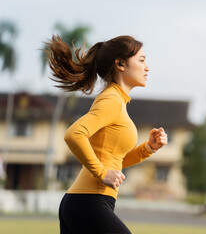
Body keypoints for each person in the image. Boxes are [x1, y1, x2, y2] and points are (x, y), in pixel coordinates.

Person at [45, 35, 168, 234]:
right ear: (120, 64)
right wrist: (101, 174)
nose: (147, 67)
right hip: (89, 202)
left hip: (84, 202)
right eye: (142, 60)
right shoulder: (111, 99)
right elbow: (74, 134)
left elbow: (113, 160)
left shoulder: (117, 100)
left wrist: (148, 148)